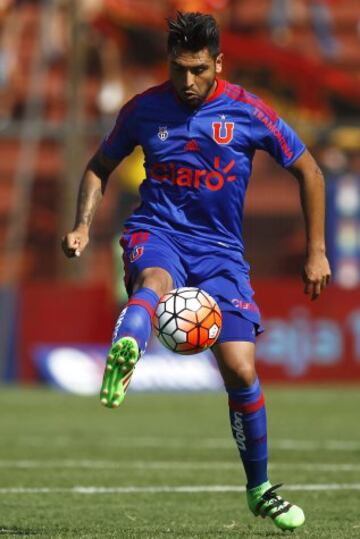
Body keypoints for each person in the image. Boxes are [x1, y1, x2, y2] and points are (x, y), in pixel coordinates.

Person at [62, 11, 331, 532]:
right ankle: (130, 348)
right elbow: (99, 165)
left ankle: (259, 489)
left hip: (221, 253)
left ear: (219, 64)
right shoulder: (144, 109)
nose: (187, 81)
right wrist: (82, 225)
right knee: (153, 283)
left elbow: (309, 170)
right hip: (157, 232)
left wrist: (317, 250)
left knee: (241, 370)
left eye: (199, 70)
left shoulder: (248, 111)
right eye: (179, 68)